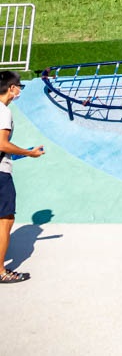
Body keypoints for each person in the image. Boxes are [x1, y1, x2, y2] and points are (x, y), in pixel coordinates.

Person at [0, 71, 45, 284]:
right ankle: (1, 271)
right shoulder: (3, 111)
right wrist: (30, 153)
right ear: (11, 88)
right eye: (19, 86)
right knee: (5, 221)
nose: (20, 89)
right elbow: (2, 144)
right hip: (0, 174)